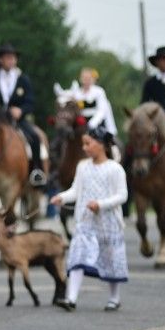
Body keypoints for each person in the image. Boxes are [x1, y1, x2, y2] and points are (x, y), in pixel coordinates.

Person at [51, 126, 128, 311]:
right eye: (84, 144)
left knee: (110, 259)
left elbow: (122, 195)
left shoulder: (115, 169)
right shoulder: (82, 167)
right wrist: (62, 197)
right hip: (85, 221)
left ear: (101, 145)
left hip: (108, 223)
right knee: (77, 254)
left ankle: (114, 298)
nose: (84, 148)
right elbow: (76, 191)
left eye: (88, 143)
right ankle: (71, 298)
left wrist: (100, 204)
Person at [0, 43, 47, 187]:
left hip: (18, 120)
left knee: (34, 137)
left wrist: (21, 110)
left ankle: (36, 171)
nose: (11, 61)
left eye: (13, 58)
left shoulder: (23, 80)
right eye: (8, 57)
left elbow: (30, 101)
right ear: (0, 60)